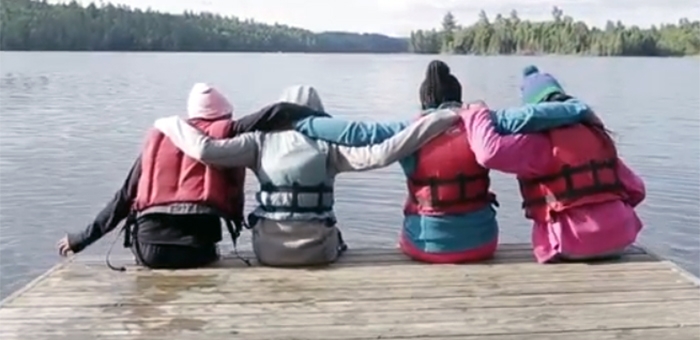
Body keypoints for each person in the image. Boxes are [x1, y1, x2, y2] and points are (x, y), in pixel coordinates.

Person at [293, 60, 595, 263]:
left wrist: (299, 122)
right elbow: (533, 115)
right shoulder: (482, 121)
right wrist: (577, 108)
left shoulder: (409, 130)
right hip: (482, 245)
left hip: (425, 247)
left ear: (425, 101)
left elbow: (356, 132)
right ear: (458, 98)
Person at [151, 94, 460, 267]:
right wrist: (436, 120)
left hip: (268, 253)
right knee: (335, 234)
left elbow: (205, 150)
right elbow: (381, 154)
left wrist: (169, 122)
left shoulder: (258, 142)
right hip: (318, 251)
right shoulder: (329, 146)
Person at [56, 83, 329, 269]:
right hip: (196, 250)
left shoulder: (159, 140)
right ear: (223, 113)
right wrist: (319, 118)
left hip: (148, 250)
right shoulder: (228, 130)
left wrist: (80, 240)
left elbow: (124, 198)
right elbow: (277, 111)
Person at [462, 65, 645, 263]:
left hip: (570, 243)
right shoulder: (597, 136)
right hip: (620, 239)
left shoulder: (539, 142)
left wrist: (478, 114)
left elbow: (489, 153)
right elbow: (637, 190)